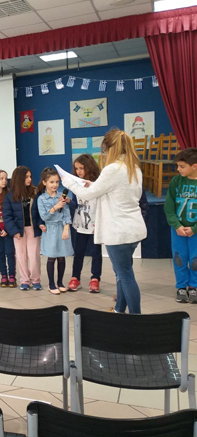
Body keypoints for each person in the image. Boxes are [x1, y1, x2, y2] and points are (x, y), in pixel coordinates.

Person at [61, 129, 146, 314]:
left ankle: (136, 318)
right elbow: (117, 191)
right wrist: (93, 185)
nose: (104, 154)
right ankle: (119, 310)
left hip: (119, 231)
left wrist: (68, 182)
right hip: (134, 229)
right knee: (122, 273)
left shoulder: (112, 169)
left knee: (125, 275)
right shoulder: (134, 168)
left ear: (110, 149)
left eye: (105, 151)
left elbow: (87, 194)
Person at [164, 147, 197, 304]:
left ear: (194, 166)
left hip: (195, 231)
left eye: (182, 166)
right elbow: (169, 206)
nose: (178, 169)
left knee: (195, 260)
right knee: (179, 259)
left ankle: (194, 287)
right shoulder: (176, 181)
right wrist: (176, 225)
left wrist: (194, 228)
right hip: (178, 230)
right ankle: (181, 287)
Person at [4, 166, 43, 291]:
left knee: (34, 256)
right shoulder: (10, 196)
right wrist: (14, 231)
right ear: (19, 178)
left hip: (33, 229)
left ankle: (35, 280)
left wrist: (40, 224)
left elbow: (41, 211)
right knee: (21, 256)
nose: (29, 179)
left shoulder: (36, 192)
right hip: (18, 231)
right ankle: (25, 280)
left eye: (30, 176)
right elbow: (7, 216)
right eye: (26, 177)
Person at [67, 155, 102, 293]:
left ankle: (95, 279)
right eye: (76, 169)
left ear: (89, 167)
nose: (78, 171)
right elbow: (77, 205)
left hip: (94, 224)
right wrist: (70, 203)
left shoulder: (98, 183)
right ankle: (75, 277)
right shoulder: (77, 184)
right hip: (80, 224)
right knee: (78, 252)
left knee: (95, 252)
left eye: (81, 168)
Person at [38, 168, 74, 295]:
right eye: (51, 182)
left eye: (57, 182)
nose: (55, 185)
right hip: (50, 230)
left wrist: (66, 228)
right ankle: (51, 284)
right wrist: (55, 207)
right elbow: (44, 217)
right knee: (52, 257)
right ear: (44, 183)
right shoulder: (42, 199)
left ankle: (60, 282)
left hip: (62, 229)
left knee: (62, 256)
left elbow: (67, 214)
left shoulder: (61, 196)